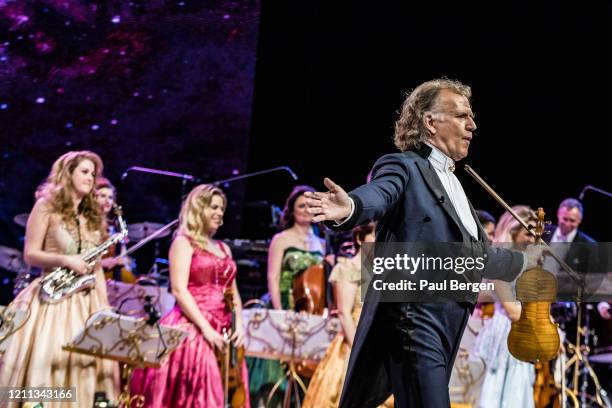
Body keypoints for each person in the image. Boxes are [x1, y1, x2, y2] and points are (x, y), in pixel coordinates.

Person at [304, 78, 543, 407]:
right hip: (414, 316)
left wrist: (527, 263)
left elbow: (480, 256)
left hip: (446, 322)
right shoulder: (404, 166)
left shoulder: (457, 185)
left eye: (471, 117)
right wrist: (351, 208)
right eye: (461, 116)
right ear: (430, 122)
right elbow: (379, 194)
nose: (472, 125)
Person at [0, 150, 119, 407]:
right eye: (84, 172)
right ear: (68, 174)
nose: (91, 178)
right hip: (51, 301)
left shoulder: (91, 217)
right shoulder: (46, 207)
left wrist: (104, 306)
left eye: (93, 173)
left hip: (86, 302)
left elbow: (96, 266)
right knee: (48, 368)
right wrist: (65, 260)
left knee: (85, 372)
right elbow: (30, 254)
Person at [131, 184, 249, 408]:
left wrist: (240, 325)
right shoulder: (183, 242)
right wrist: (206, 329)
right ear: (198, 208)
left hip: (224, 328)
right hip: (193, 326)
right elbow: (179, 290)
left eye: (221, 208)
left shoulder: (224, 248)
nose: (219, 213)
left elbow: (233, 293)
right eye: (213, 207)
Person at [247, 185, 326, 406]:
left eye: (310, 205)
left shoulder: (321, 243)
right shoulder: (281, 239)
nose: (306, 209)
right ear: (292, 210)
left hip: (310, 309)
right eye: (301, 205)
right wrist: (279, 310)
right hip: (282, 301)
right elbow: (272, 277)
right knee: (276, 368)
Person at [303, 222, 394, 408]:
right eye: (375, 237)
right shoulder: (348, 268)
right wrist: (361, 352)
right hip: (354, 340)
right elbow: (344, 313)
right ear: (361, 239)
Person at [474, 205, 537, 408]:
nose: (532, 239)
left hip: (523, 330)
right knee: (504, 394)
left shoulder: (527, 262)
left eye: (535, 234)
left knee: (518, 393)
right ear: (513, 231)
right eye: (528, 233)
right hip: (507, 334)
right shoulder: (500, 262)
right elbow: (512, 311)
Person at [95, 177, 136, 283]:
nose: (107, 201)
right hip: (94, 275)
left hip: (113, 276)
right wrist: (103, 263)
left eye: (110, 197)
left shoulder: (114, 227)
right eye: (102, 196)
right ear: (93, 198)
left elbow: (124, 255)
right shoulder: (86, 225)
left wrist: (124, 261)